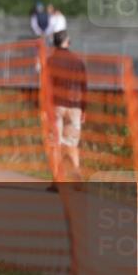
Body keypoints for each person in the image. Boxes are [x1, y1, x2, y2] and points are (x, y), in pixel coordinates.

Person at [46, 29, 87, 185]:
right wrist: (84, 108)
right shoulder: (78, 61)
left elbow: (46, 87)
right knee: (72, 143)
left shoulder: (50, 61)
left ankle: (58, 180)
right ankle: (76, 176)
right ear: (68, 42)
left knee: (55, 143)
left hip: (56, 106)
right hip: (75, 106)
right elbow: (84, 86)